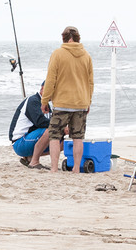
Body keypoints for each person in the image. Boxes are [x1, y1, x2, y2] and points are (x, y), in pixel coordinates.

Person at [40, 26, 94, 172]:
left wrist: (45, 100)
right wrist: (88, 101)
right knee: (78, 137)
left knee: (55, 136)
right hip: (81, 102)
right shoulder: (86, 56)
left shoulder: (58, 54)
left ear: (64, 38)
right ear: (77, 38)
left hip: (62, 103)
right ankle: (76, 169)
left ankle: (54, 169)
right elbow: (90, 82)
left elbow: (50, 80)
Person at [8, 85, 51, 168]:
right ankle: (34, 162)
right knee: (51, 131)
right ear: (42, 88)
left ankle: (29, 158)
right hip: (19, 142)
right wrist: (60, 126)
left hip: (30, 140)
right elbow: (40, 122)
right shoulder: (33, 101)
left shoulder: (46, 105)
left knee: (62, 141)